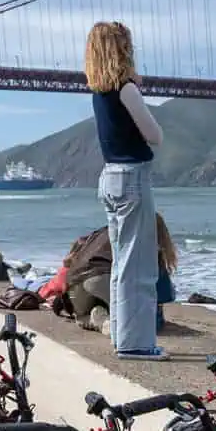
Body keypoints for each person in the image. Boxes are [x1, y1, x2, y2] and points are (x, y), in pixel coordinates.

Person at [85, 20, 165, 360]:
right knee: (139, 266)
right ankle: (137, 344)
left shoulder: (99, 93)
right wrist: (137, 88)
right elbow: (154, 135)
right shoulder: (126, 89)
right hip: (132, 178)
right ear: (121, 48)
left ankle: (122, 335)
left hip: (110, 177)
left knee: (122, 263)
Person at [58, 225, 112, 329]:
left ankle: (95, 319)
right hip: (103, 276)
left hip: (75, 282)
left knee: (82, 316)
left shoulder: (101, 232)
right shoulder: (141, 231)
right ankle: (108, 322)